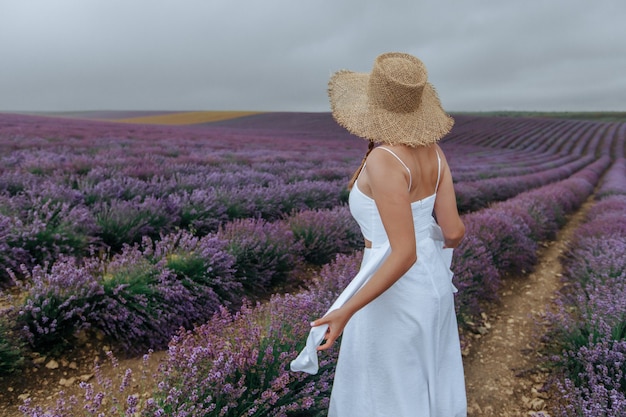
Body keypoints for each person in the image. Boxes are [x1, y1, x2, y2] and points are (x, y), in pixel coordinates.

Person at [290, 52, 467, 416]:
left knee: (386, 393)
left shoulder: (384, 159)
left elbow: (403, 253)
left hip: (393, 293)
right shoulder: (435, 152)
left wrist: (346, 311)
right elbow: (454, 231)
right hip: (433, 288)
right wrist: (430, 241)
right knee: (425, 380)